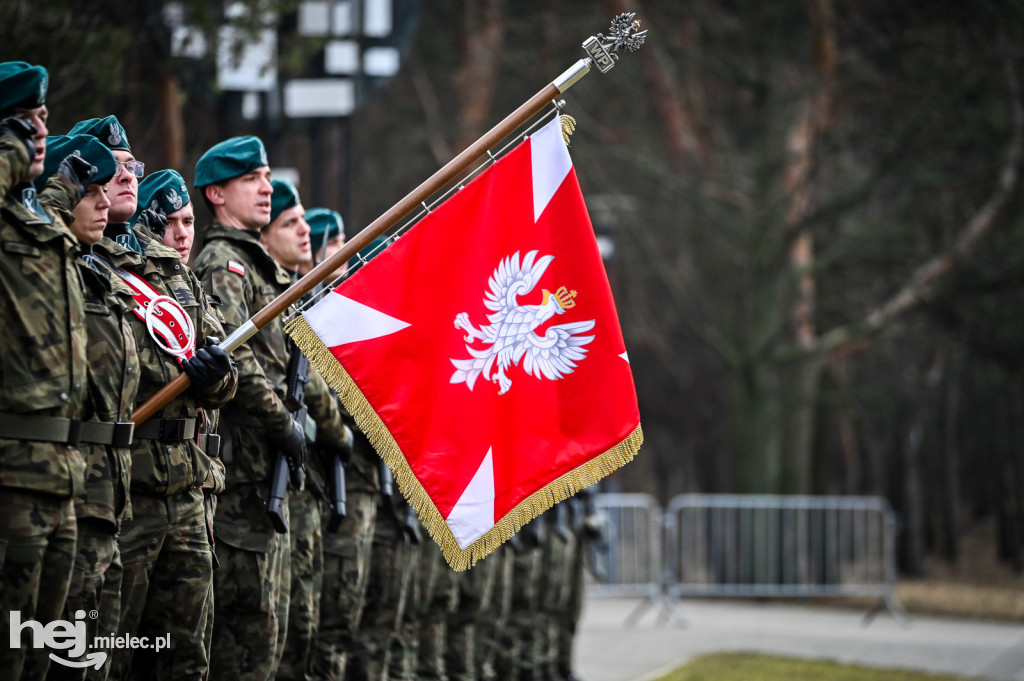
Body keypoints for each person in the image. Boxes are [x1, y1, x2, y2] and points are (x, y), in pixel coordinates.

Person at [67, 116, 237, 681]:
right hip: (125, 491)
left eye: (132, 167)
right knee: (111, 659)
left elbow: (226, 375)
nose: (125, 178)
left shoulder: (166, 269)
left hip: (189, 497)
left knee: (186, 660)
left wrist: (214, 375)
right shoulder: (80, 262)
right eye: (110, 170)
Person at [189, 138, 347, 680]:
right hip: (245, 477)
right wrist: (287, 427)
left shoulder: (251, 264)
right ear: (217, 194)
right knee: (249, 641)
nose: (266, 187)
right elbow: (242, 361)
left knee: (277, 637)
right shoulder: (225, 265)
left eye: (265, 175)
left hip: (265, 475)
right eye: (251, 179)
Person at [0, 61, 98, 681]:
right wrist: (11, 146)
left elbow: (54, 204)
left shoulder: (38, 223)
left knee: (47, 664)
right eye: (24, 119)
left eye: (41, 117)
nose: (39, 130)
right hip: (13, 479)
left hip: (63, 481)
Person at [32, 135, 136, 681]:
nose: (103, 202)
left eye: (105, 189)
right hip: (64, 484)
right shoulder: (47, 265)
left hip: (103, 495)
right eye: (89, 191)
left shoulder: (98, 272)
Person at [259, 179, 352, 681]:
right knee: (290, 631)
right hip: (289, 476)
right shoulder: (280, 296)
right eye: (292, 224)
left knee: (318, 624)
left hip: (308, 481)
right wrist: (335, 429)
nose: (337, 250)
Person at [300, 207, 383, 681]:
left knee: (360, 621)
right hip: (336, 485)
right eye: (334, 245)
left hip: (362, 485)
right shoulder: (316, 314)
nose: (344, 254)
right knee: (327, 625)